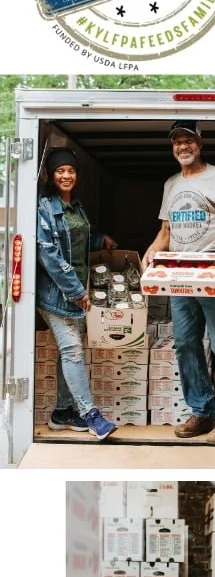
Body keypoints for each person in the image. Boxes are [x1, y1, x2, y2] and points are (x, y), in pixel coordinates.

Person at [143, 121, 215, 444]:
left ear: (200, 143)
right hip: (180, 276)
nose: (182, 146)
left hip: (214, 272)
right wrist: (149, 253)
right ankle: (202, 411)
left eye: (188, 140)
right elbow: (166, 233)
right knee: (186, 344)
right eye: (177, 141)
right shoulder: (171, 184)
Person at [35, 147, 118, 440]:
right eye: (60, 171)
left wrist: (100, 239)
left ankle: (61, 412)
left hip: (78, 290)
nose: (66, 175)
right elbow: (50, 256)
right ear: (51, 175)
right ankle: (90, 415)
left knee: (67, 353)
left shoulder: (77, 207)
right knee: (72, 350)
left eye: (70, 171)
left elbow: (77, 240)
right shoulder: (44, 208)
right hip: (57, 294)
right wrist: (75, 292)